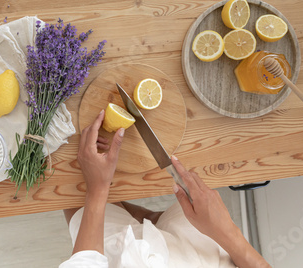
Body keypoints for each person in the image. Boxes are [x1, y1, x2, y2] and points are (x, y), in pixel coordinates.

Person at [60, 110, 271, 268]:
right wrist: (227, 232)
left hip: (121, 257)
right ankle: (149, 218)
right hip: (206, 254)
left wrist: (97, 189)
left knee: (77, 180)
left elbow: (86, 261)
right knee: (153, 217)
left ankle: (128, 209)